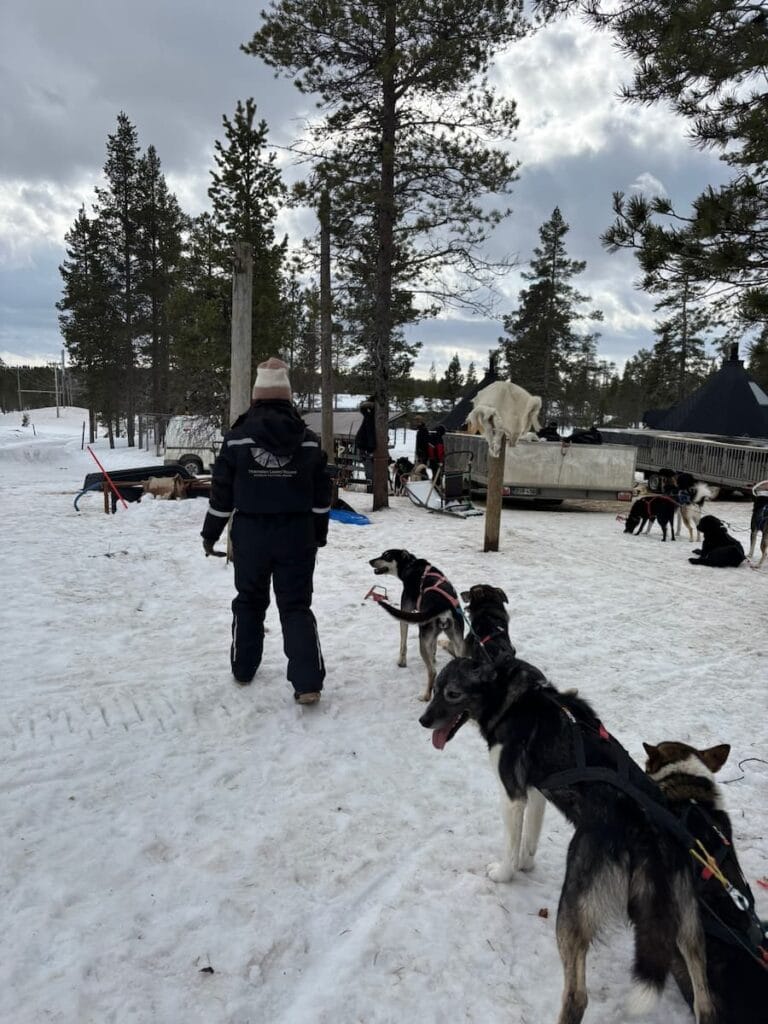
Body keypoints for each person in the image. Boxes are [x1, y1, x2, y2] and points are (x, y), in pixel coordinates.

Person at [200, 357, 331, 705]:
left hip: (251, 535)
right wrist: (318, 533)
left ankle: (243, 668)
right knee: (296, 606)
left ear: (256, 396)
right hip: (297, 534)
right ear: (287, 397)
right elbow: (322, 496)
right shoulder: (308, 440)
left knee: (249, 601)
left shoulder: (237, 439)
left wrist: (210, 533)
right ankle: (307, 683)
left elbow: (221, 493)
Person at [355, 397, 377, 492]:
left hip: (366, 447)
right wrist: (371, 448)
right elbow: (370, 433)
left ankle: (371, 489)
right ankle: (370, 490)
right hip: (365, 448)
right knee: (370, 472)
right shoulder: (370, 417)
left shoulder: (372, 416)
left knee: (371, 472)